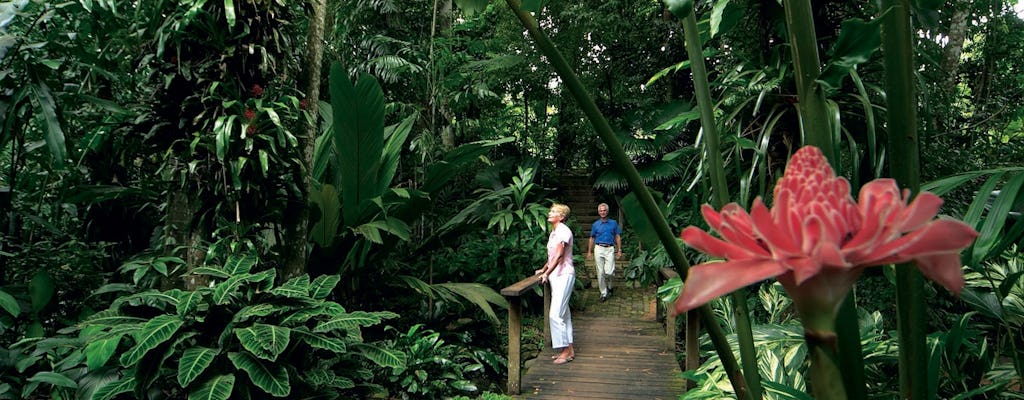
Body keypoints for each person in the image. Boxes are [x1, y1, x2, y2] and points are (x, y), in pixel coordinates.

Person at [534, 203, 575, 365]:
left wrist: (546, 273)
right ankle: (569, 350)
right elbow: (551, 256)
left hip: (563, 275)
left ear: (562, 217)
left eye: (554, 212)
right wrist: (543, 269)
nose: (550, 213)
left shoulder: (563, 231)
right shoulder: (555, 232)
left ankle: (564, 350)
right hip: (556, 276)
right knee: (564, 315)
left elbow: (559, 256)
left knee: (555, 314)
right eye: (551, 211)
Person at [586, 203, 622, 302]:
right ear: (599, 212)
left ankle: (610, 286)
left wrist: (619, 250)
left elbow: (618, 236)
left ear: (607, 211)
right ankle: (603, 293)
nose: (603, 212)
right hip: (598, 248)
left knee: (610, 271)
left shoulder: (613, 223)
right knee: (600, 272)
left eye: (604, 210)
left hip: (610, 249)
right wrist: (589, 252)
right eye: (601, 210)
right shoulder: (595, 224)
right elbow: (591, 238)